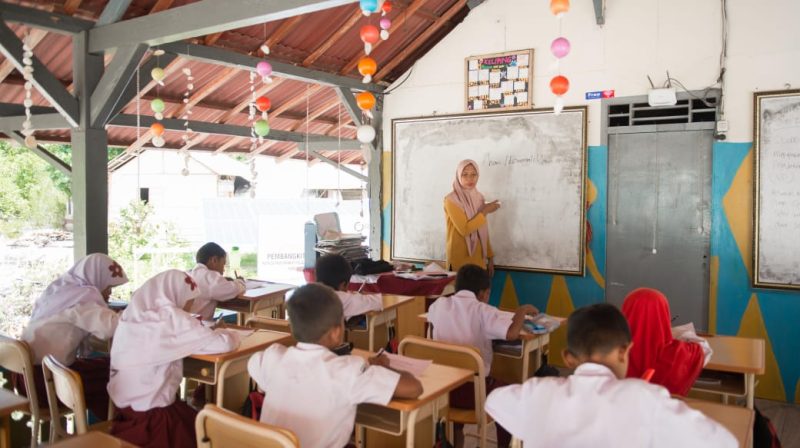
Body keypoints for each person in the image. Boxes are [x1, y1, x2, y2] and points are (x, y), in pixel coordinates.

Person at [485, 303, 736, 448]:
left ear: (567, 358)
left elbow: (494, 400)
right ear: (625, 351)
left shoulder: (539, 392)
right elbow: (724, 442)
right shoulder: (645, 399)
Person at [247, 283, 422, 448]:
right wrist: (382, 368)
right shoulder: (348, 372)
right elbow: (413, 388)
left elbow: (254, 363)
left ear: (293, 327)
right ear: (337, 332)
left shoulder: (272, 358)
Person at [108, 270, 241, 448]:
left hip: (125, 412)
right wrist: (226, 331)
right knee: (213, 434)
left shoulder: (131, 315)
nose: (189, 309)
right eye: (188, 302)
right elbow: (225, 344)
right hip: (156, 419)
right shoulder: (170, 318)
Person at [427, 264, 538, 448]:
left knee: (458, 366)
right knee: (512, 395)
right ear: (483, 293)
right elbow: (511, 334)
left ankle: (457, 439)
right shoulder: (483, 311)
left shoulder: (438, 305)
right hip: (473, 396)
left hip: (442, 392)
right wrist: (521, 310)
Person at [19, 253, 128, 419]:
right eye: (108, 286)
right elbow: (110, 328)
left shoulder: (60, 291)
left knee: (107, 369)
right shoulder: (83, 298)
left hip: (26, 381)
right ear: (97, 278)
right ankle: (116, 426)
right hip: (46, 385)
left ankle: (106, 426)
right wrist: (134, 313)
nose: (109, 292)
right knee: (118, 372)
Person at [622, 287, 711, 396]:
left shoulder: (610, 351)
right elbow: (705, 348)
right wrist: (672, 334)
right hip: (663, 411)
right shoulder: (680, 354)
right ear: (664, 315)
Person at [444, 159, 500, 276]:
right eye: (465, 175)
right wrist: (485, 211)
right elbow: (464, 229)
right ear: (458, 176)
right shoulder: (451, 200)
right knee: (461, 294)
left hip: (479, 260)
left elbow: (482, 229)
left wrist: (490, 258)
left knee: (479, 295)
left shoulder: (479, 197)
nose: (470, 179)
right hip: (459, 262)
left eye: (473, 174)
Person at [187, 242, 245, 321]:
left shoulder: (189, 273)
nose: (223, 269)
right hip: (199, 328)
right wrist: (240, 281)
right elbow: (234, 289)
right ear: (214, 260)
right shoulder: (210, 278)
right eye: (223, 264)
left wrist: (223, 280)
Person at [315, 254, 382, 320]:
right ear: (342, 285)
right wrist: (356, 297)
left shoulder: (309, 293)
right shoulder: (339, 299)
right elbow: (380, 302)